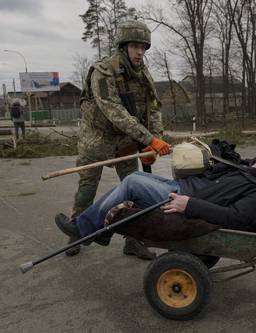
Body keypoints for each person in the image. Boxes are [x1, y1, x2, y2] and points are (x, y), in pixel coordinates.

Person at [66, 20, 171, 259]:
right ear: (124, 46)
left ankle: (133, 239)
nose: (140, 52)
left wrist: (155, 140)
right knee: (87, 188)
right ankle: (76, 232)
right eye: (135, 46)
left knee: (136, 189)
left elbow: (153, 108)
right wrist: (147, 138)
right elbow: (113, 110)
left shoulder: (144, 74)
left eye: (144, 47)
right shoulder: (103, 70)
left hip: (126, 140)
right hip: (98, 138)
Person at [54, 148, 256, 243]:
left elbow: (238, 218)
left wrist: (189, 205)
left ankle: (83, 230)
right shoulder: (255, 174)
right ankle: (98, 232)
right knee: (133, 181)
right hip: (186, 188)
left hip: (187, 197)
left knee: (131, 182)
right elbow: (232, 167)